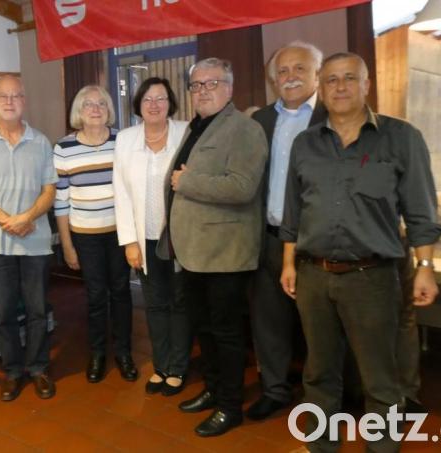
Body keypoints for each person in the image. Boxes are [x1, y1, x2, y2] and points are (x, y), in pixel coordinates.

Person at [280, 52, 441, 452]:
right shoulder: (305, 144)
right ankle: (321, 445)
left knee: (380, 376)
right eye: (331, 79)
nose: (340, 87)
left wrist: (425, 266)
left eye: (349, 78)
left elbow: (421, 211)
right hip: (313, 276)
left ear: (366, 84)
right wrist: (288, 263)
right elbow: (293, 211)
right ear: (321, 88)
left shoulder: (401, 138)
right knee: (318, 372)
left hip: (373, 279)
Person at [157, 58, 268, 437]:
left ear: (230, 88)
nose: (203, 91)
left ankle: (230, 406)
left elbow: (242, 187)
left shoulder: (245, 129)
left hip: (225, 253)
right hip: (193, 251)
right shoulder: (197, 126)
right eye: (196, 85)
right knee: (203, 329)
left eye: (212, 83)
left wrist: (188, 182)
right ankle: (213, 389)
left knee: (226, 334)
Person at [0, 75, 58, 402]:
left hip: (36, 241)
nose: (9, 101)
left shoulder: (41, 142)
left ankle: (38, 368)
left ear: (24, 101)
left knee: (37, 310)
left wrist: (27, 218)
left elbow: (49, 190)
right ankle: (13, 371)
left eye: (16, 95)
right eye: (2, 96)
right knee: (3, 313)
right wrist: (9, 221)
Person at [246, 41, 327, 420]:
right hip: (268, 237)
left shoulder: (332, 116)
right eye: (282, 71)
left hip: (315, 242)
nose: (290, 76)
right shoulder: (260, 120)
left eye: (300, 69)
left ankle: (322, 399)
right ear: (273, 79)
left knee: (319, 323)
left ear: (317, 75)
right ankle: (275, 389)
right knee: (269, 320)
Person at [54, 85, 136, 383]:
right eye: (88, 104)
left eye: (101, 103)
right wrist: (67, 245)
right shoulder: (63, 148)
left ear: (109, 109)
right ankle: (98, 353)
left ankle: (124, 352)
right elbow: (60, 201)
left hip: (120, 233)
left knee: (121, 292)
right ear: (79, 111)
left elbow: (132, 189)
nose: (95, 109)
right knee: (96, 295)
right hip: (85, 236)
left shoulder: (123, 141)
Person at [113, 77, 190, 395]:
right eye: (147, 99)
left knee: (180, 302)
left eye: (160, 98)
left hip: (180, 236)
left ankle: (179, 367)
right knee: (155, 303)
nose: (154, 105)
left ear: (170, 103)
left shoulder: (186, 132)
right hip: (144, 236)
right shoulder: (125, 139)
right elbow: (121, 193)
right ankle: (161, 365)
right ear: (138, 105)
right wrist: (129, 241)